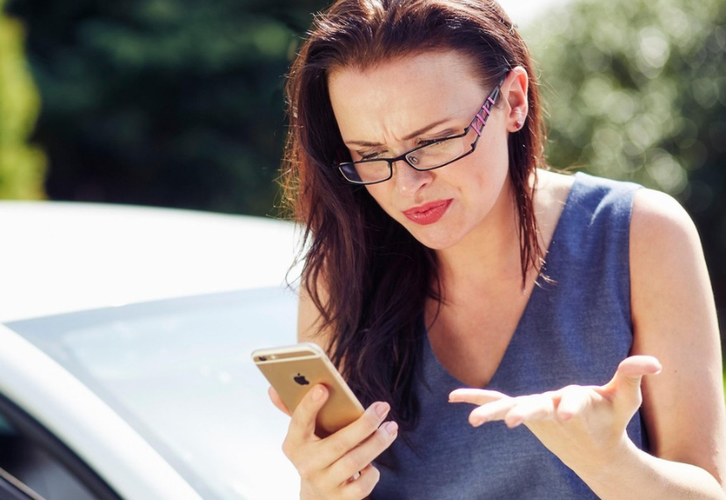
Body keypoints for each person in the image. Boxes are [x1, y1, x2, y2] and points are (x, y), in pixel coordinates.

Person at [267, 0, 726, 498]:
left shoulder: (641, 234)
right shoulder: (342, 272)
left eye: (437, 141)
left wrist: (611, 464)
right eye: (370, 155)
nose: (407, 186)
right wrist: (319, 488)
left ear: (513, 101)